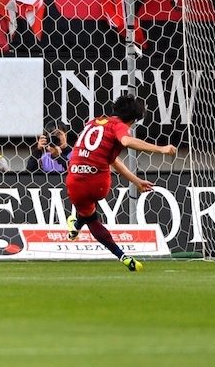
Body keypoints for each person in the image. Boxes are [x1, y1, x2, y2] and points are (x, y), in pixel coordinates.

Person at [65, 94, 177, 272]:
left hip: (74, 180)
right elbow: (126, 141)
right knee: (89, 209)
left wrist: (136, 181)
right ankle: (77, 225)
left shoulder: (93, 122)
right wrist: (161, 149)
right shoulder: (119, 127)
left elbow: (111, 159)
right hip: (99, 184)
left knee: (89, 216)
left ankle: (120, 255)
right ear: (133, 119)